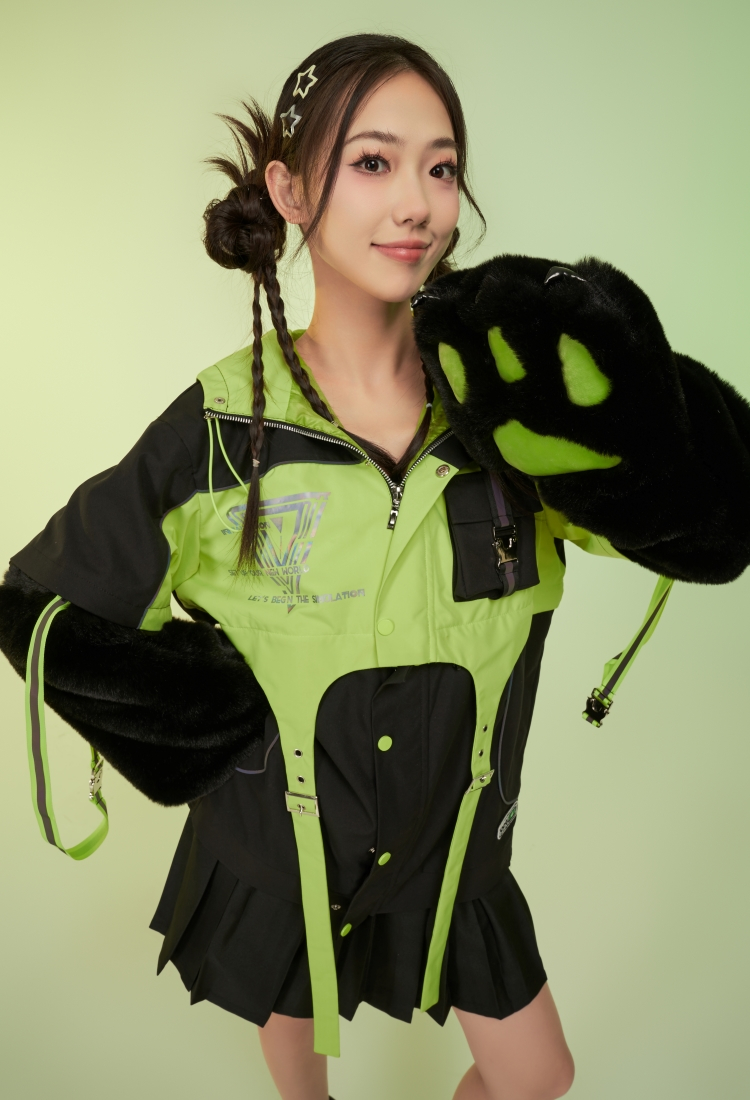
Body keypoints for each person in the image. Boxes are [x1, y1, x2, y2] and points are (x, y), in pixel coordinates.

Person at [2, 32, 749, 1100]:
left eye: (441, 168)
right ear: (291, 191)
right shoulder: (222, 427)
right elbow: (44, 598)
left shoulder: (506, 403)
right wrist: (187, 718)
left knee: (537, 1075)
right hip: (282, 842)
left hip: (454, 846)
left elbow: (699, 524)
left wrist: (634, 400)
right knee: (295, 1024)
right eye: (372, 162)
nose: (417, 204)